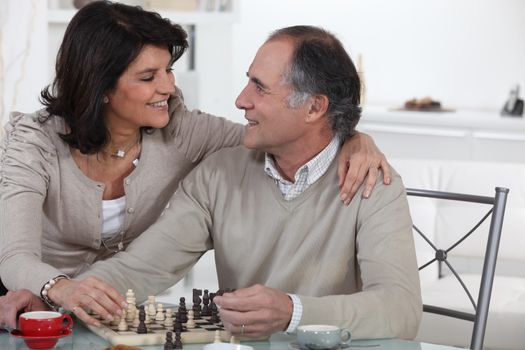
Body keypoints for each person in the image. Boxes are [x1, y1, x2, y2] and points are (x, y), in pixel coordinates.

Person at [0, 2, 389, 329]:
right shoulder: (32, 141)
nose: (168, 87)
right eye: (149, 77)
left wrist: (352, 138)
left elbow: (283, 135)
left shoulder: (182, 131)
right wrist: (55, 290)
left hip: (105, 305)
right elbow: (14, 256)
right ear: (100, 88)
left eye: (168, 70)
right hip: (24, 296)